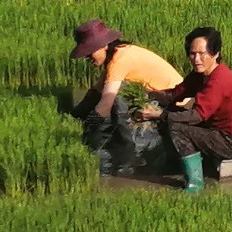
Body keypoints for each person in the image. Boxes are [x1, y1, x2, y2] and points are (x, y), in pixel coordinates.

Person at [141, 26, 232, 192]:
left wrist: (160, 115)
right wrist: (147, 96)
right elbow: (174, 95)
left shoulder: (218, 79)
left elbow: (197, 116)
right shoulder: (199, 74)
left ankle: (195, 183)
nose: (197, 59)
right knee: (171, 115)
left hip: (230, 140)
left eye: (202, 53)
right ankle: (174, 162)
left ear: (215, 54)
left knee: (176, 124)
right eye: (192, 54)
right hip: (213, 130)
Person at [68, 19, 181, 176]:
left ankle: (128, 153)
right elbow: (97, 91)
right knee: (114, 93)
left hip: (173, 102)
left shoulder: (119, 61)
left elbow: (104, 105)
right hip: (161, 96)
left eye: (89, 52)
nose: (87, 57)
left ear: (104, 46)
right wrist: (73, 117)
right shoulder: (119, 55)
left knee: (117, 95)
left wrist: (86, 129)